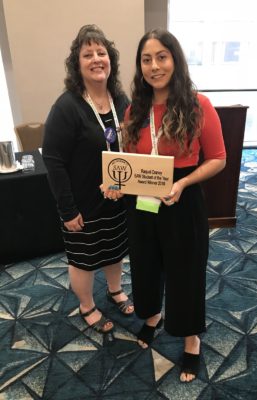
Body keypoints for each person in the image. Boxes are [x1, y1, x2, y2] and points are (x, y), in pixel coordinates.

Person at [123, 28, 226, 382]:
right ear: (140, 66)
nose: (154, 66)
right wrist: (115, 184)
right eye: (147, 59)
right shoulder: (134, 109)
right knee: (145, 263)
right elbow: (127, 157)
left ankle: (191, 337)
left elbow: (218, 158)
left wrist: (183, 182)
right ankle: (152, 315)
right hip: (144, 201)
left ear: (175, 60)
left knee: (186, 271)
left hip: (182, 199)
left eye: (161, 57)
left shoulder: (199, 105)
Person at [42, 24, 134, 335]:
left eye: (102, 53)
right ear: (77, 64)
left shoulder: (120, 100)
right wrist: (67, 209)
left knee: (114, 249)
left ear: (111, 61)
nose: (96, 59)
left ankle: (114, 290)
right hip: (82, 203)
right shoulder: (67, 106)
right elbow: (53, 161)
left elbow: (129, 145)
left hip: (117, 197)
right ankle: (86, 306)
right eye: (87, 54)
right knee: (84, 258)